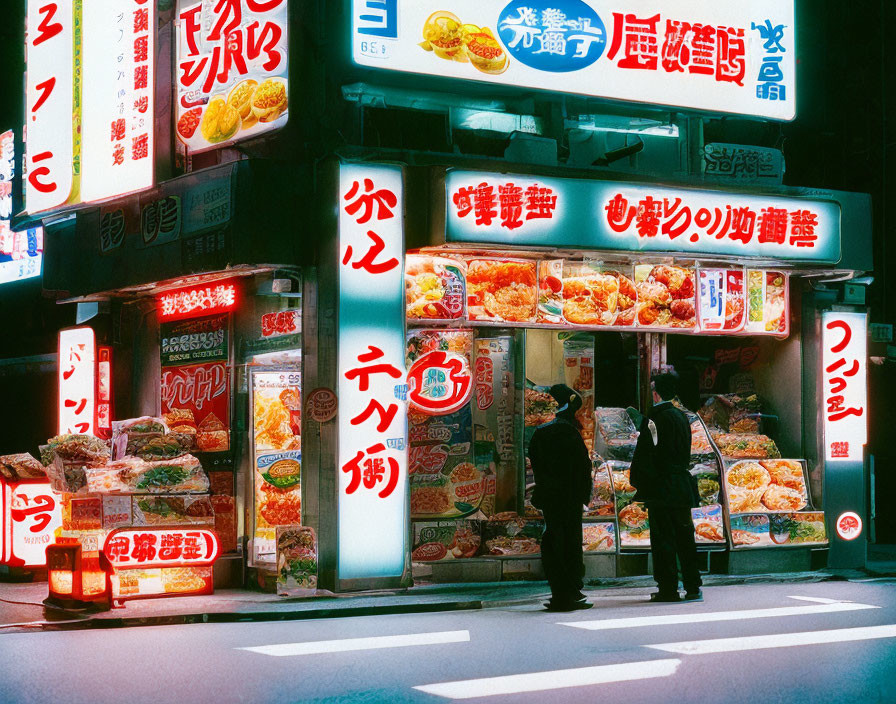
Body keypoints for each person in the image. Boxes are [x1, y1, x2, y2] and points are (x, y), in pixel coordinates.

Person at [629, 371, 703, 603]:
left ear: (656, 392)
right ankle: (693, 587)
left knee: (663, 540)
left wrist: (638, 482)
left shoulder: (654, 419)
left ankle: (668, 588)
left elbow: (645, 455)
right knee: (685, 538)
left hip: (662, 487)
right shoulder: (683, 417)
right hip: (682, 486)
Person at [528, 384, 594, 612]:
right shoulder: (570, 432)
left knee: (554, 542)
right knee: (572, 543)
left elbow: (535, 464)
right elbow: (584, 468)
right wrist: (585, 496)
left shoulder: (541, 433)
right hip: (571, 497)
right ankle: (572, 590)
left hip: (550, 496)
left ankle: (561, 591)